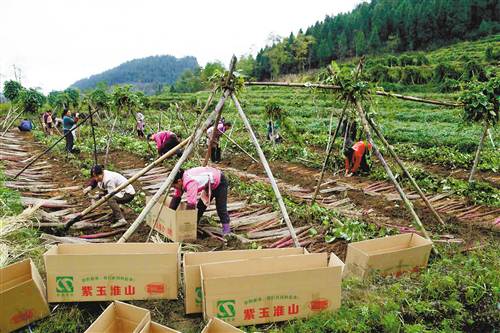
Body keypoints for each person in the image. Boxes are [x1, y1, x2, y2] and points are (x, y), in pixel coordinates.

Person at [169, 166, 231, 235]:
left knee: (221, 208)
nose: (174, 188)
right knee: (200, 207)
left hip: (220, 182)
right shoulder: (181, 180)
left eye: (174, 186)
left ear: (179, 181)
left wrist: (186, 222)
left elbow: (191, 204)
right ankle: (194, 227)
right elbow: (176, 198)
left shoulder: (190, 182)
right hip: (209, 184)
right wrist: (169, 215)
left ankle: (227, 231)